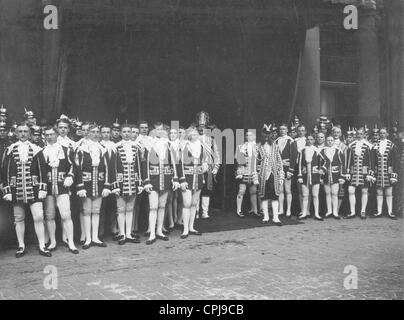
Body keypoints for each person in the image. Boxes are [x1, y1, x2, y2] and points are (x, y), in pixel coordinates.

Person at [2, 123, 51, 257]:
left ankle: (42, 246)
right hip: (16, 188)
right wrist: (6, 190)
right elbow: (5, 171)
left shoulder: (36, 149)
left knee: (39, 217)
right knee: (18, 218)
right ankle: (21, 246)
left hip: (34, 188)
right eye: (20, 131)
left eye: (25, 131)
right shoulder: (10, 149)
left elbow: (42, 170)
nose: (23, 134)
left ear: (29, 134)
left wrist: (42, 188)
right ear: (16, 134)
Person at [41, 126, 79, 254]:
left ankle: (71, 243)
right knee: (50, 216)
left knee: (66, 215)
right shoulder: (42, 151)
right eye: (47, 135)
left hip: (63, 187)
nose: (49, 137)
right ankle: (52, 242)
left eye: (52, 134)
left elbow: (73, 165)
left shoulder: (66, 150)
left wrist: (70, 176)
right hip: (48, 188)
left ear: (57, 135)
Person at [142, 123, 180, 244]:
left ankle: (159, 230)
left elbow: (174, 163)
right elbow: (145, 165)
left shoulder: (168, 145)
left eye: (161, 129)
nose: (159, 131)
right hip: (153, 180)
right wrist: (146, 180)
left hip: (166, 179)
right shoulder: (149, 145)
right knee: (153, 207)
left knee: (162, 206)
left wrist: (175, 178)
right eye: (157, 129)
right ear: (154, 131)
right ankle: (152, 233)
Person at [75, 124, 110, 249]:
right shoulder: (82, 149)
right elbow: (78, 169)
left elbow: (107, 168)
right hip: (86, 184)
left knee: (96, 211)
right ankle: (88, 239)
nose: (95, 134)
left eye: (97, 132)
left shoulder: (103, 149)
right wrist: (80, 186)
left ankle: (95, 237)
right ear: (88, 133)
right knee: (86, 212)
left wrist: (106, 185)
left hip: (99, 185)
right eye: (93, 132)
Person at [110, 124, 143, 245]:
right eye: (124, 131)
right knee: (120, 209)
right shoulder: (116, 147)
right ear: (121, 133)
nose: (127, 134)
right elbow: (112, 167)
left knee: (130, 209)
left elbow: (138, 166)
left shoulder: (136, 147)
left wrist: (140, 183)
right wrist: (115, 185)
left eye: (129, 131)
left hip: (133, 182)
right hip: (121, 182)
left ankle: (129, 234)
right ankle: (122, 234)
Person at [178, 127, 208, 238]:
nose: (194, 136)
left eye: (196, 134)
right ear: (189, 135)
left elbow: (205, 160)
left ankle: (191, 227)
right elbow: (179, 164)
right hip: (187, 178)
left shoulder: (201, 146)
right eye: (192, 134)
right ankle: (185, 229)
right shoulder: (183, 146)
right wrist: (182, 179)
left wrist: (204, 167)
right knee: (186, 203)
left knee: (194, 203)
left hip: (198, 177)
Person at [256, 124, 285, 225]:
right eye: (265, 135)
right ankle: (266, 217)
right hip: (263, 174)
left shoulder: (275, 147)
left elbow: (279, 161)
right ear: (262, 135)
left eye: (268, 134)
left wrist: (281, 174)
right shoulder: (258, 147)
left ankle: (276, 217)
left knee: (274, 195)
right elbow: (255, 162)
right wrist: (256, 175)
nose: (267, 137)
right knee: (264, 195)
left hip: (273, 174)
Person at [345, 127, 374, 219]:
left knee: (364, 191)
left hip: (364, 172)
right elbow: (349, 159)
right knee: (351, 190)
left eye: (361, 134)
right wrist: (348, 172)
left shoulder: (369, 146)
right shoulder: (352, 145)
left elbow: (371, 161)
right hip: (354, 172)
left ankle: (363, 211)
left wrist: (370, 174)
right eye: (358, 133)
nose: (359, 135)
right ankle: (352, 211)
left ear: (365, 135)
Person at [196, 111, 220, 219]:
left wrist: (216, 167)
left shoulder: (211, 139)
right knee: (196, 189)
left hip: (209, 166)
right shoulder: (192, 138)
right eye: (199, 126)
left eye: (203, 126)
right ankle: (195, 211)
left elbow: (217, 155)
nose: (201, 128)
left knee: (207, 190)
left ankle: (204, 212)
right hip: (197, 167)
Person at [373, 127, 399, 219]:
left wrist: (394, 174)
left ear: (387, 134)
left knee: (389, 192)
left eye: (384, 133)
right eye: (381, 133)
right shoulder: (375, 144)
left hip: (389, 172)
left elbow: (395, 160)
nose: (382, 134)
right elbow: (374, 160)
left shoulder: (391, 145)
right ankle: (379, 211)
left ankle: (390, 212)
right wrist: (373, 174)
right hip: (379, 172)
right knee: (379, 192)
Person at [297, 135, 323, 220]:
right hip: (305, 175)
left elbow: (324, 161)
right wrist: (300, 175)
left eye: (311, 139)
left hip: (315, 175)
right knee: (305, 195)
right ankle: (304, 213)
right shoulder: (302, 150)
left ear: (314, 141)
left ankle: (316, 214)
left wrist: (321, 171)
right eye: (308, 139)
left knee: (315, 195)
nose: (309, 141)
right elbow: (300, 163)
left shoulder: (317, 150)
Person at [319, 136, 345, 219]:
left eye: (331, 140)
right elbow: (320, 164)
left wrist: (342, 176)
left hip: (335, 175)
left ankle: (335, 212)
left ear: (334, 141)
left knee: (334, 193)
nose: (330, 142)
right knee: (327, 193)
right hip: (326, 175)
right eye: (328, 140)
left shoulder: (338, 151)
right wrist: (321, 177)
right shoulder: (322, 151)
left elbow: (342, 164)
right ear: (326, 141)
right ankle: (329, 211)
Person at [99, 125, 118, 239]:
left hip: (113, 178)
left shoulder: (114, 146)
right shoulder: (99, 146)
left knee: (114, 205)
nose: (106, 134)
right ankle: (100, 229)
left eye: (108, 132)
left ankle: (113, 227)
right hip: (103, 180)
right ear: (101, 133)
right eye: (104, 132)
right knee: (101, 206)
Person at [235, 130, 259, 217]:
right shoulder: (240, 147)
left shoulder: (257, 147)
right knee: (242, 191)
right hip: (243, 170)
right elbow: (238, 160)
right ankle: (239, 210)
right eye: (247, 135)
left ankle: (255, 210)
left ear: (254, 137)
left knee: (253, 191)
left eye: (250, 135)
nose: (248, 137)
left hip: (253, 171)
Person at [275, 123, 297, 217]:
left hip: (287, 168)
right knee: (280, 190)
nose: (282, 131)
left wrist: (291, 170)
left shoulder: (291, 141)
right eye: (280, 129)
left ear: (287, 130)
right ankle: (281, 209)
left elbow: (294, 156)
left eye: (284, 129)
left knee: (287, 189)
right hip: (279, 168)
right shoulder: (276, 141)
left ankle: (288, 210)